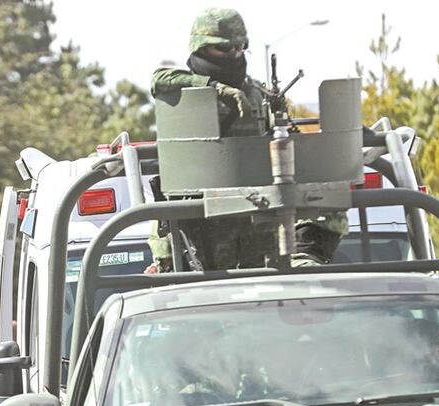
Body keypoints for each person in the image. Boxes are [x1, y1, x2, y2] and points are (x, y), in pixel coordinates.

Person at [147, 7, 347, 271]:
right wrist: (215, 88)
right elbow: (159, 79)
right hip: (199, 217)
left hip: (254, 215)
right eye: (224, 49)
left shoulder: (254, 92)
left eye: (239, 48)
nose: (233, 55)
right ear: (201, 47)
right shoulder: (183, 88)